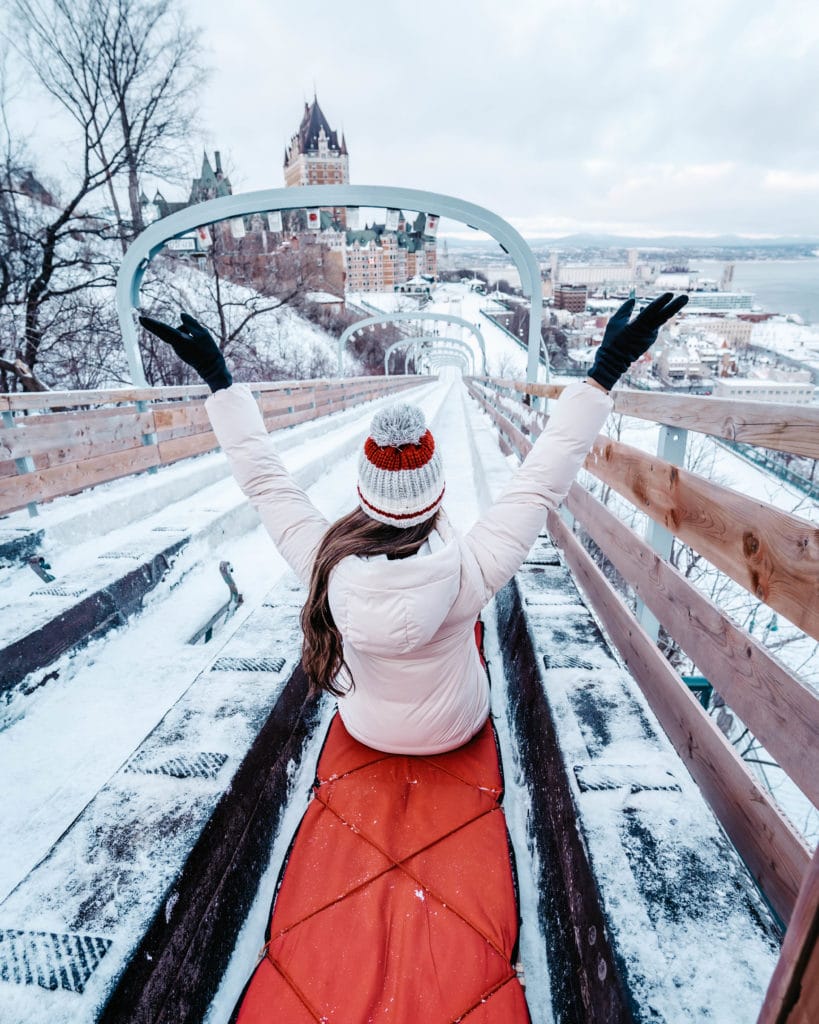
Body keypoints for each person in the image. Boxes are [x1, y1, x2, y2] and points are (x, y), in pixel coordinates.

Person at [140, 293, 687, 756]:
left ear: (366, 493)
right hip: (456, 728)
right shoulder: (470, 569)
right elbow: (544, 477)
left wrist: (219, 381)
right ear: (435, 491)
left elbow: (264, 481)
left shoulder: (325, 565)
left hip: (365, 728)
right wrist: (603, 374)